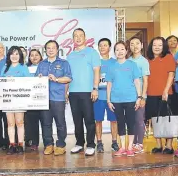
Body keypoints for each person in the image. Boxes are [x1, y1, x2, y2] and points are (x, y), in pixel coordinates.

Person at [66, 28, 100, 156]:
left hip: (87, 92)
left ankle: (91, 144)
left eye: (81, 35)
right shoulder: (70, 56)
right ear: (73, 39)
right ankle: (79, 143)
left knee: (89, 120)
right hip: (73, 92)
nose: (78, 38)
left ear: (85, 38)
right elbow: (68, 76)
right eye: (75, 36)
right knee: (77, 120)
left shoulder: (92, 53)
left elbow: (97, 71)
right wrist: (67, 91)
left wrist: (95, 88)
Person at [36, 40, 72, 156]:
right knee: (46, 123)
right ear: (45, 50)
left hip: (58, 97)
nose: (50, 50)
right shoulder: (41, 64)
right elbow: (35, 79)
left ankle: (61, 145)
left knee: (60, 123)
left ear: (57, 50)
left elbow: (68, 78)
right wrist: (39, 77)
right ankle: (48, 145)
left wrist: (56, 79)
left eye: (53, 48)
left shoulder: (64, 63)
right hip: (43, 98)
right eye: (48, 48)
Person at [106, 41, 142, 157]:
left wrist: (139, 97)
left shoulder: (132, 65)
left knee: (131, 122)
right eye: (117, 49)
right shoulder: (111, 67)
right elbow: (109, 84)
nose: (119, 52)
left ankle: (130, 147)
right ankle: (122, 147)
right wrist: (108, 100)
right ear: (114, 52)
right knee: (120, 123)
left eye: (122, 49)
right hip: (116, 100)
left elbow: (137, 81)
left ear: (126, 51)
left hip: (131, 98)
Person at [145, 37, 176, 154]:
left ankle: (169, 145)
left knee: (167, 119)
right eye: (154, 45)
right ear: (151, 47)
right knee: (154, 119)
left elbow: (171, 75)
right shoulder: (147, 59)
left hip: (166, 94)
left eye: (160, 45)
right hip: (151, 93)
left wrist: (166, 90)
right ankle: (158, 144)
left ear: (164, 47)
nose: (157, 47)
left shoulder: (168, 57)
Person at [0, 46, 31, 155]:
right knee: (10, 123)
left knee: (20, 122)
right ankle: (12, 144)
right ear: (9, 56)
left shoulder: (23, 67)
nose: (14, 56)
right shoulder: (5, 68)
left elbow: (29, 82)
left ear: (20, 56)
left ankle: (20, 145)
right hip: (8, 100)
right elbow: (0, 83)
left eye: (17, 54)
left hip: (20, 99)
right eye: (12, 54)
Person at [94, 38, 119, 153]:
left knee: (114, 121)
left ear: (110, 47)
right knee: (98, 120)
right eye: (100, 45)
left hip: (112, 98)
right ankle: (99, 142)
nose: (102, 47)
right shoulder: (95, 62)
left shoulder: (115, 62)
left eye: (105, 45)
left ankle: (114, 142)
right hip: (98, 97)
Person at [128, 37, 150, 154]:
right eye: (132, 44)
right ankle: (133, 143)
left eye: (137, 43)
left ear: (141, 45)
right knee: (132, 120)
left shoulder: (143, 61)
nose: (135, 46)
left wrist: (142, 96)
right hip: (129, 96)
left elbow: (145, 81)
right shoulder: (128, 60)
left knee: (139, 120)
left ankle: (140, 143)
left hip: (140, 95)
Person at [25, 49, 43, 151]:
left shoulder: (44, 67)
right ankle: (34, 143)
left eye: (37, 55)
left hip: (43, 99)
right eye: (32, 55)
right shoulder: (26, 68)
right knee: (32, 122)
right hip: (30, 99)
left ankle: (48, 143)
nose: (34, 57)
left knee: (45, 122)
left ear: (40, 56)